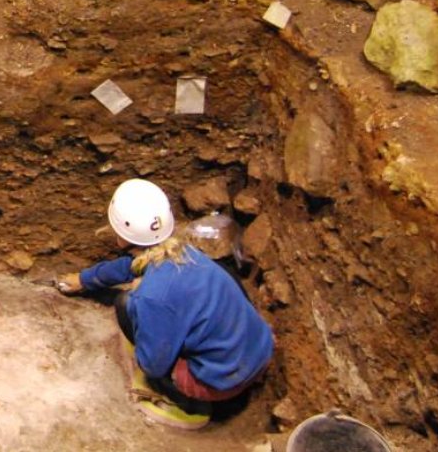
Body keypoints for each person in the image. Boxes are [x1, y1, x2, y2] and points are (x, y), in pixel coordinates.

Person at [55, 178, 274, 431]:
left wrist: (143, 303)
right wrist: (84, 280)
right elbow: (130, 267)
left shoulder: (152, 297)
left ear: (120, 237)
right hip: (259, 351)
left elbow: (153, 363)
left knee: (127, 305)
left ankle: (184, 402)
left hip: (224, 381)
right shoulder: (187, 253)